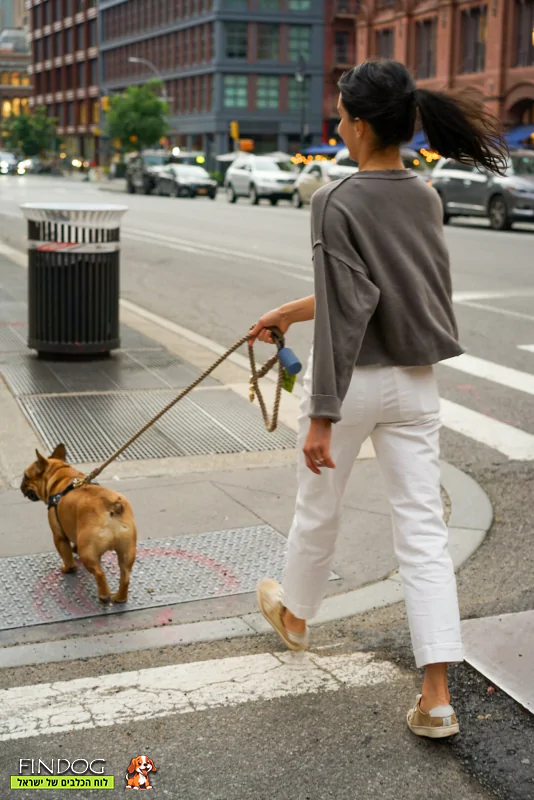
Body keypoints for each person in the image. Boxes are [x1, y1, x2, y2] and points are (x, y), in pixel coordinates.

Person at [249, 59, 507, 739]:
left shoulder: (334, 201)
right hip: (416, 384)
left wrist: (323, 415)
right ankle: (437, 697)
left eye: (341, 114)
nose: (336, 124)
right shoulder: (425, 195)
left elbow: (345, 312)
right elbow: (373, 295)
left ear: (361, 126)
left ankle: (297, 617)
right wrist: (288, 312)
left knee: (318, 507)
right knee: (423, 534)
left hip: (352, 383)